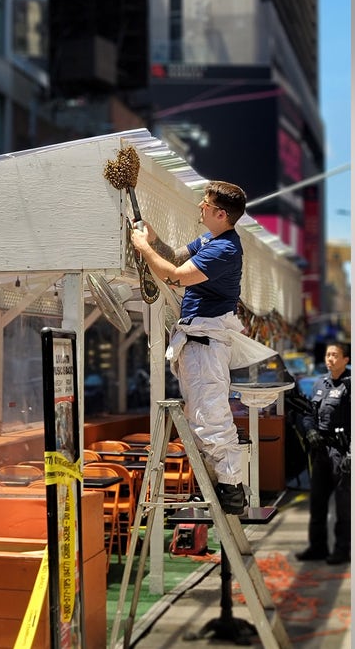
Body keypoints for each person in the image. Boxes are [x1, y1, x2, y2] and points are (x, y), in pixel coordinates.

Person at [129, 180, 257, 515]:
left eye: (205, 202)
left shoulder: (224, 249)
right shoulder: (211, 240)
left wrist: (143, 248)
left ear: (219, 213)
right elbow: (175, 258)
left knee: (211, 415)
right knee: (200, 414)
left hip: (206, 341)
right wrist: (155, 240)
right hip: (197, 339)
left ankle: (230, 487)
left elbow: (173, 275)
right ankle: (220, 482)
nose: (199, 206)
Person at [296, 341, 351, 564]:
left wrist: (352, 454)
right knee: (317, 502)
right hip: (321, 452)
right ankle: (317, 548)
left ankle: (341, 549)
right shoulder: (321, 383)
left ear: (346, 359)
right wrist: (309, 431)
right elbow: (310, 413)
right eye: (328, 354)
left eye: (335, 355)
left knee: (343, 505)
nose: (330, 359)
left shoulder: (351, 386)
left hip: (341, 452)